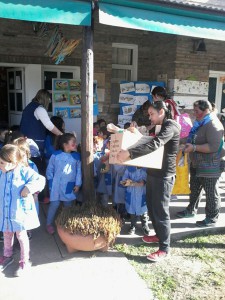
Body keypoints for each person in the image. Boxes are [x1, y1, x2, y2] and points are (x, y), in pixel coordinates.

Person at [117, 101, 180, 262]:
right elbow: (147, 141)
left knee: (160, 211)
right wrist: (135, 134)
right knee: (151, 207)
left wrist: (130, 153)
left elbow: (155, 144)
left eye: (152, 114)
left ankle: (165, 248)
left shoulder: (170, 126)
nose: (150, 117)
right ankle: (159, 235)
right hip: (152, 173)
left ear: (161, 112)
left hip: (164, 175)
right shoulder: (160, 126)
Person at [176, 100, 225, 227]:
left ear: (206, 111)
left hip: (210, 164)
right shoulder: (201, 122)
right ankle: (191, 210)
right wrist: (180, 141)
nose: (194, 113)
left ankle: (212, 218)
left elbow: (213, 146)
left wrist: (194, 148)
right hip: (197, 162)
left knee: (210, 191)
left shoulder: (213, 124)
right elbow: (193, 137)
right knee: (195, 188)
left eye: (196, 111)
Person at [0, 144, 45, 276]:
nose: (0, 165)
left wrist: (29, 188)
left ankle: (25, 261)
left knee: (21, 235)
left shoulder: (24, 171)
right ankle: (7, 256)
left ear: (13, 162)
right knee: (7, 234)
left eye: (2, 163)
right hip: (5, 211)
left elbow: (40, 180)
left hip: (19, 212)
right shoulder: (1, 172)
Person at [20, 89, 63, 201]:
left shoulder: (28, 107)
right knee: (38, 171)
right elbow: (49, 125)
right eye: (49, 99)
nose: (49, 101)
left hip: (24, 143)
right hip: (34, 145)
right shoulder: (39, 109)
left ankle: (33, 196)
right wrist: (62, 135)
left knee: (28, 169)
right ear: (45, 98)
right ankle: (40, 198)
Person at [46, 133, 82, 234]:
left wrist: (78, 184)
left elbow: (79, 172)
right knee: (54, 204)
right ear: (65, 144)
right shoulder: (55, 155)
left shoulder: (76, 157)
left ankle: (67, 223)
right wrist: (50, 184)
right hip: (55, 186)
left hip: (69, 185)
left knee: (68, 205)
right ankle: (48, 224)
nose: (75, 144)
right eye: (73, 142)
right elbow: (50, 170)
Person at [121, 166, 150, 235]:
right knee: (132, 212)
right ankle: (132, 225)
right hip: (132, 194)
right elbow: (123, 180)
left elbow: (147, 180)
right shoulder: (129, 168)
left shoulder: (146, 169)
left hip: (142, 193)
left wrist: (144, 182)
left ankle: (145, 225)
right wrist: (126, 181)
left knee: (144, 211)